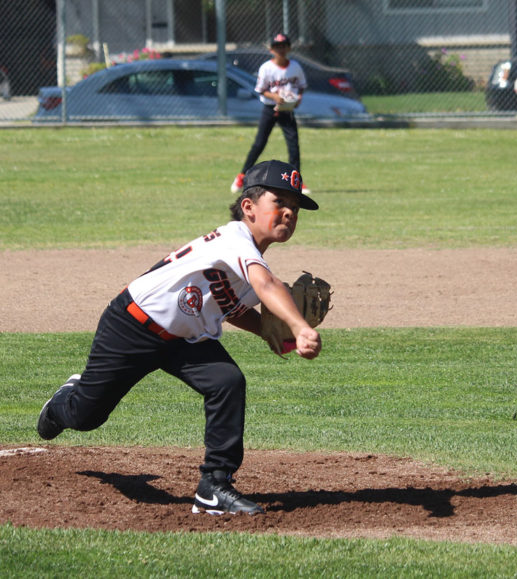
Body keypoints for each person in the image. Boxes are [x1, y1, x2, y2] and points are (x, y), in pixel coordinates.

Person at [37, 159, 322, 515]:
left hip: (185, 340)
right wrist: (300, 327)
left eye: (295, 207)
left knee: (227, 382)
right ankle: (64, 399)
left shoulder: (251, 260)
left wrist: (274, 335)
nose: (289, 213)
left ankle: (214, 485)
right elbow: (267, 284)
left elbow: (234, 308)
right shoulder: (236, 240)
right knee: (86, 416)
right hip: (133, 325)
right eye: (279, 202)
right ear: (248, 207)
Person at [230, 34, 310, 196]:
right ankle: (242, 176)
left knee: (293, 145)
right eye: (277, 46)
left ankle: (296, 181)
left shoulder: (295, 67)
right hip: (270, 109)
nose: (280, 49)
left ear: (289, 48)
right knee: (259, 144)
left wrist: (298, 98)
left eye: (283, 46)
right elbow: (261, 89)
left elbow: (301, 86)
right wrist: (275, 97)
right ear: (271, 49)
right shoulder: (267, 67)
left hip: (287, 110)